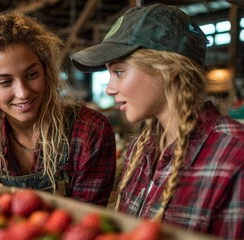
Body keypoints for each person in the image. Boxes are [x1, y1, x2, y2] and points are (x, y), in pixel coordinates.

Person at [70, 3, 244, 239]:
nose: (110, 89)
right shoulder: (140, 149)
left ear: (169, 69)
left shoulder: (235, 157)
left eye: (119, 72)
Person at [0, 11, 116, 205]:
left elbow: (86, 223)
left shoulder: (89, 131)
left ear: (46, 71)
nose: (22, 93)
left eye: (32, 75)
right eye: (5, 82)